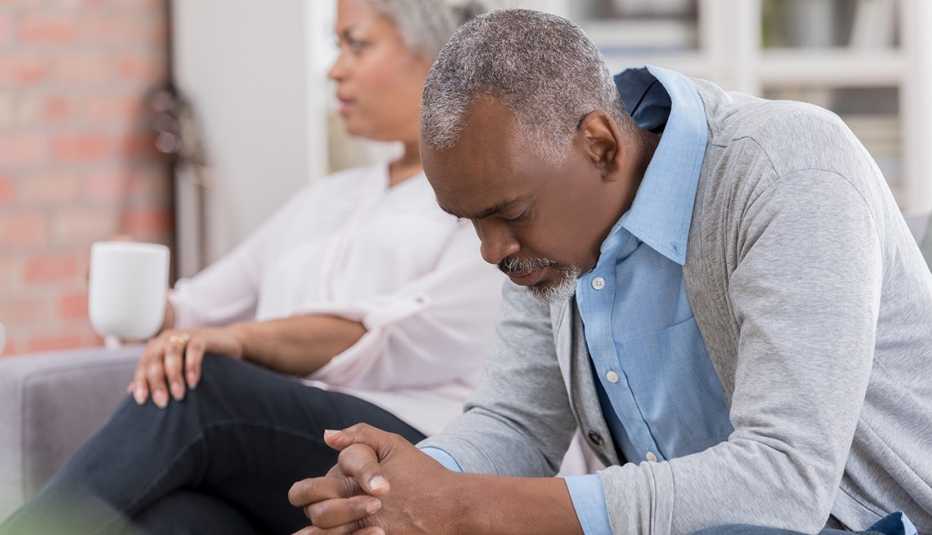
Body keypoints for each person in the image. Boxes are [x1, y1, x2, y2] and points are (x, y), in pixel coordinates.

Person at [289, 9, 932, 535]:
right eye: (470, 222)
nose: (491, 250)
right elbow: (518, 421)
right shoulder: (549, 244)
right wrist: (395, 490)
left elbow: (782, 480)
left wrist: (460, 507)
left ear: (600, 145)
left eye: (507, 213)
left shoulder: (789, 170)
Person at [0, 1, 497, 534]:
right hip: (283, 445)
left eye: (357, 44)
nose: (335, 69)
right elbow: (191, 310)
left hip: (409, 443)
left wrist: (235, 341)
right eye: (336, 48)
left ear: (438, 57)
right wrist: (133, 295)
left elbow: (387, 336)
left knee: (200, 387)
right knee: (171, 518)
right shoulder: (325, 199)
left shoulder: (482, 200)